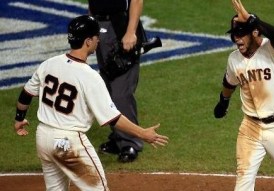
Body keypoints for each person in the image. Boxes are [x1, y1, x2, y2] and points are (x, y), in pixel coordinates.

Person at [13, 15, 168, 191]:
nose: (98, 40)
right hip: (69, 143)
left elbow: (26, 94)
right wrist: (142, 133)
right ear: (88, 41)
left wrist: (19, 119)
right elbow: (113, 118)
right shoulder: (90, 77)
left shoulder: (49, 64)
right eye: (96, 37)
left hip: (43, 137)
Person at [213, 0, 274, 190]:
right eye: (235, 34)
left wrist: (253, 19)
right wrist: (223, 101)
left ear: (254, 32)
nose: (237, 39)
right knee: (243, 183)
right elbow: (229, 82)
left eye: (241, 34)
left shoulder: (273, 50)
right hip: (250, 128)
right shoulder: (234, 59)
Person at [88, 0, 146, 163]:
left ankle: (130, 142)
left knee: (121, 92)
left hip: (120, 27)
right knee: (107, 88)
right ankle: (118, 137)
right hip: (100, 27)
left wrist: (131, 31)